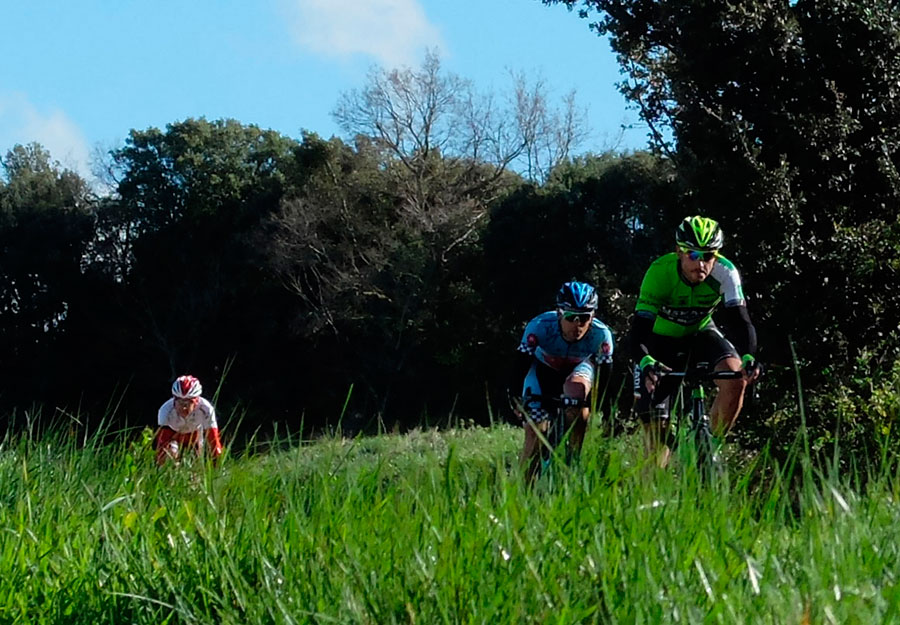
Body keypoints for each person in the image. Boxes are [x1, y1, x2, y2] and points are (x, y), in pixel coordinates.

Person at [631, 215, 760, 468]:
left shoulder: (726, 272)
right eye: (692, 255)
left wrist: (749, 356)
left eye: (708, 256)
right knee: (656, 444)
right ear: (679, 251)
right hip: (660, 341)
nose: (700, 263)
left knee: (736, 377)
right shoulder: (659, 272)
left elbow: (740, 321)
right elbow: (639, 330)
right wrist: (646, 361)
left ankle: (707, 450)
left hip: (700, 332)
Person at [511, 281, 614, 483]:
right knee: (534, 432)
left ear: (593, 316)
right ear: (559, 313)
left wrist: (608, 412)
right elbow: (519, 367)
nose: (578, 324)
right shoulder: (539, 326)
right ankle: (523, 489)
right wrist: (513, 397)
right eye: (571, 317)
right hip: (543, 370)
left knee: (577, 397)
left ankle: (572, 464)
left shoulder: (602, 335)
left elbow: (606, 380)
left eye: (584, 318)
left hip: (579, 369)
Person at [155, 375, 223, 466]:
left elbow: (214, 442)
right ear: (174, 399)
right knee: (168, 455)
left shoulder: (206, 410)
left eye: (188, 402)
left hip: (194, 435)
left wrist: (217, 466)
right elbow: (162, 443)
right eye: (179, 402)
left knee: (195, 465)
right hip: (173, 434)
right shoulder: (165, 410)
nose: (183, 407)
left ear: (196, 401)